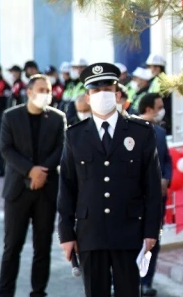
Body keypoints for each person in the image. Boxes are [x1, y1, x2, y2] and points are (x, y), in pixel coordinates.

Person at [57, 62, 163, 297]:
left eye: (107, 89)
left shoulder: (140, 132)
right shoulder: (75, 135)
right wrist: (66, 233)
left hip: (129, 232)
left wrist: (151, 231)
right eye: (95, 91)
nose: (101, 95)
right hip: (90, 233)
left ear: (117, 93)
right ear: (87, 96)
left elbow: (152, 188)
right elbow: (67, 187)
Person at [0, 75, 67, 297]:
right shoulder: (11, 116)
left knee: (42, 246)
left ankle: (39, 291)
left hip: (46, 190)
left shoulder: (57, 118)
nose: (46, 93)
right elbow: (6, 149)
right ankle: (5, 292)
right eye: (41, 89)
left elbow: (61, 149)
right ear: (28, 92)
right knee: (12, 247)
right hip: (17, 190)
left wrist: (42, 172)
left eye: (48, 90)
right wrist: (30, 171)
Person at [136, 93, 172, 296]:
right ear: (149, 109)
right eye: (159, 106)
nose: (162, 110)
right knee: (132, 240)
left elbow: (166, 160)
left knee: (153, 240)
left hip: (158, 199)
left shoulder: (159, 131)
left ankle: (146, 281)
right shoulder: (130, 129)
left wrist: (166, 178)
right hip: (136, 198)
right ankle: (125, 280)